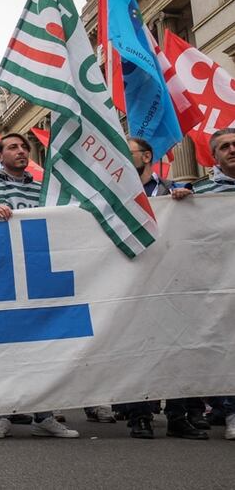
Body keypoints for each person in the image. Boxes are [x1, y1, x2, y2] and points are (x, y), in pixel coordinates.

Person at [0, 132, 79, 440]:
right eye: (13, 147)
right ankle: (1, 414)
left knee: (41, 347)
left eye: (24, 146)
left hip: (36, 276)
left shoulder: (42, 189)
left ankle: (44, 416)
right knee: (2, 348)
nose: (21, 151)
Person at [110, 138, 207, 439]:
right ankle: (139, 417)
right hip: (132, 283)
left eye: (128, 152)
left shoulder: (171, 191)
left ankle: (178, 417)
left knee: (176, 349)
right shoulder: (113, 196)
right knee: (135, 351)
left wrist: (187, 201)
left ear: (146, 156)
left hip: (171, 282)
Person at [174, 128, 235, 441]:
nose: (232, 150)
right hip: (220, 283)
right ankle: (231, 411)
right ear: (214, 156)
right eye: (225, 147)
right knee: (226, 348)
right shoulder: (202, 191)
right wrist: (181, 203)